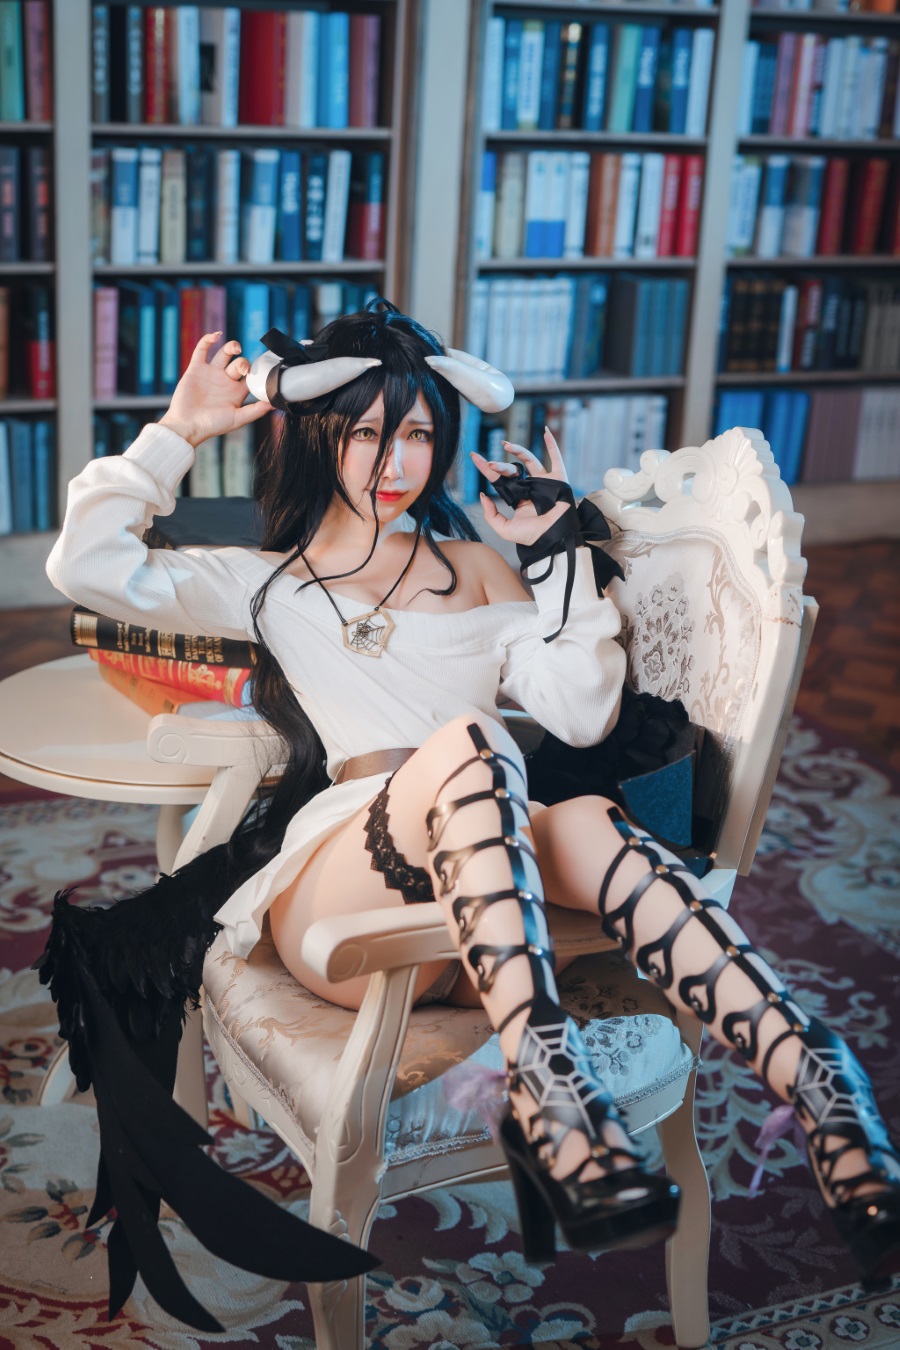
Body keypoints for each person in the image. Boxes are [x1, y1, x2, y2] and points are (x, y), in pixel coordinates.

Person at [42, 300, 900, 1330]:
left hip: (490, 909)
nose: (394, 461)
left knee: (582, 820)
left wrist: (558, 552)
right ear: (319, 435)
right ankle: (548, 1081)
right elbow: (85, 564)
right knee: (481, 745)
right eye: (367, 432)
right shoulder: (269, 583)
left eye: (415, 433)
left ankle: (820, 1077)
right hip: (350, 896)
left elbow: (581, 711)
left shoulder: (483, 569)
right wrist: (179, 431)